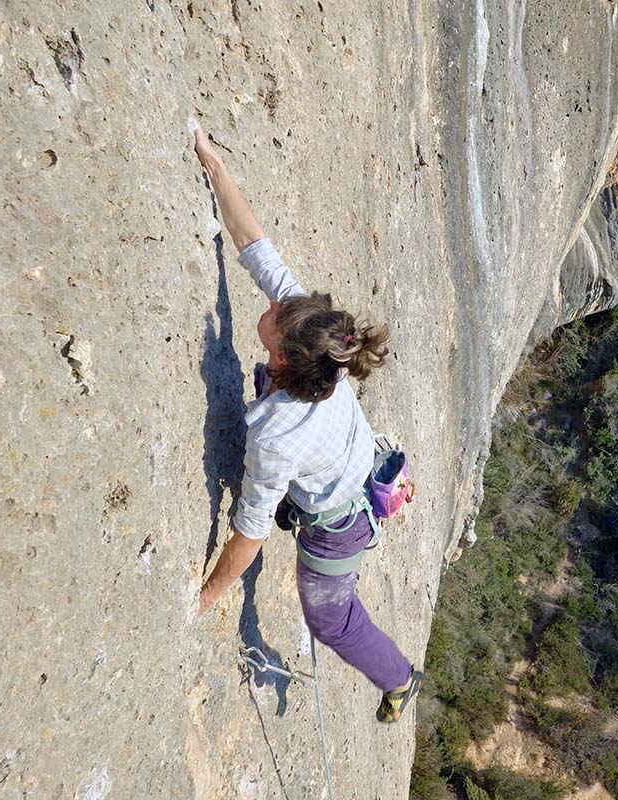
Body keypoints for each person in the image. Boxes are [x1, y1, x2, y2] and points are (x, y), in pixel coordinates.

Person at [193, 123, 423, 723]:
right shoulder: (315, 341)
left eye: (276, 313)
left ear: (287, 358)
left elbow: (250, 529)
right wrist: (215, 166)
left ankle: (399, 679)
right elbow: (257, 249)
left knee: (330, 620)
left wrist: (210, 594)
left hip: (338, 525)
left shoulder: (276, 434)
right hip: (348, 463)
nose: (271, 304)